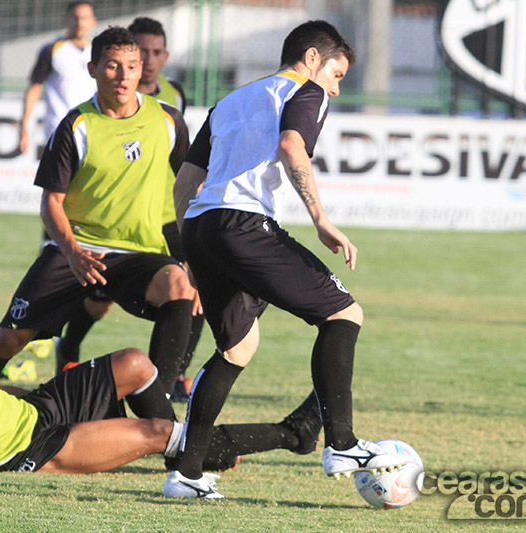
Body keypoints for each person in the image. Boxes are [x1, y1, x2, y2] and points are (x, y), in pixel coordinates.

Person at [164, 20, 407, 499]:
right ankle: (342, 443)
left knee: (237, 348)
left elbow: (183, 184)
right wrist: (320, 219)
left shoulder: (230, 101)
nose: (335, 88)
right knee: (343, 314)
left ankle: (186, 475)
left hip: (201, 227)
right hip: (243, 226)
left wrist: (190, 252)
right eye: (337, 74)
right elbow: (292, 145)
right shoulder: (305, 90)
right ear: (313, 58)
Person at [0, 271, 323, 478]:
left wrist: (28, 397)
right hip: (27, 450)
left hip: (38, 411)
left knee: (136, 362)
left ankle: (186, 451)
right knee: (158, 430)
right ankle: (292, 434)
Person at [0, 27, 196, 397]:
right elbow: (51, 203)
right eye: (112, 66)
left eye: (131, 66)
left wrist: (191, 258)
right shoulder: (76, 126)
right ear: (92, 69)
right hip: (80, 251)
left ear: (142, 70)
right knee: (9, 340)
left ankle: (160, 405)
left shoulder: (169, 120)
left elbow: (190, 189)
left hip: (140, 252)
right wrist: (73, 252)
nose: (123, 76)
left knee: (179, 286)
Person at [51, 17, 200, 401]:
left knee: (190, 289)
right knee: (99, 299)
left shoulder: (173, 100)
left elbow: (188, 164)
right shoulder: (91, 114)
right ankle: (69, 347)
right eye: (139, 53)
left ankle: (170, 381)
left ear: (163, 57)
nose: (146, 62)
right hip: (108, 225)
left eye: (153, 54)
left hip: (167, 216)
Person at [19, 1, 98, 155]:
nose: (80, 22)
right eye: (75, 17)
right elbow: (35, 87)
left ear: (93, 21)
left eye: (85, 18)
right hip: (59, 127)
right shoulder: (53, 49)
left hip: (91, 127)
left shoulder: (97, 52)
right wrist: (24, 126)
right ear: (66, 19)